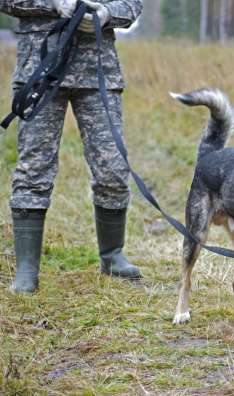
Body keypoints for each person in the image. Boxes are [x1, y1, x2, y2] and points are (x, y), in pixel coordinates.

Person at [0, 0, 144, 293]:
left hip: (99, 72)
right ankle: (27, 272)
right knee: (33, 168)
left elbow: (132, 5)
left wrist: (106, 14)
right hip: (41, 68)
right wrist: (53, 3)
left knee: (113, 168)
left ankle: (112, 256)